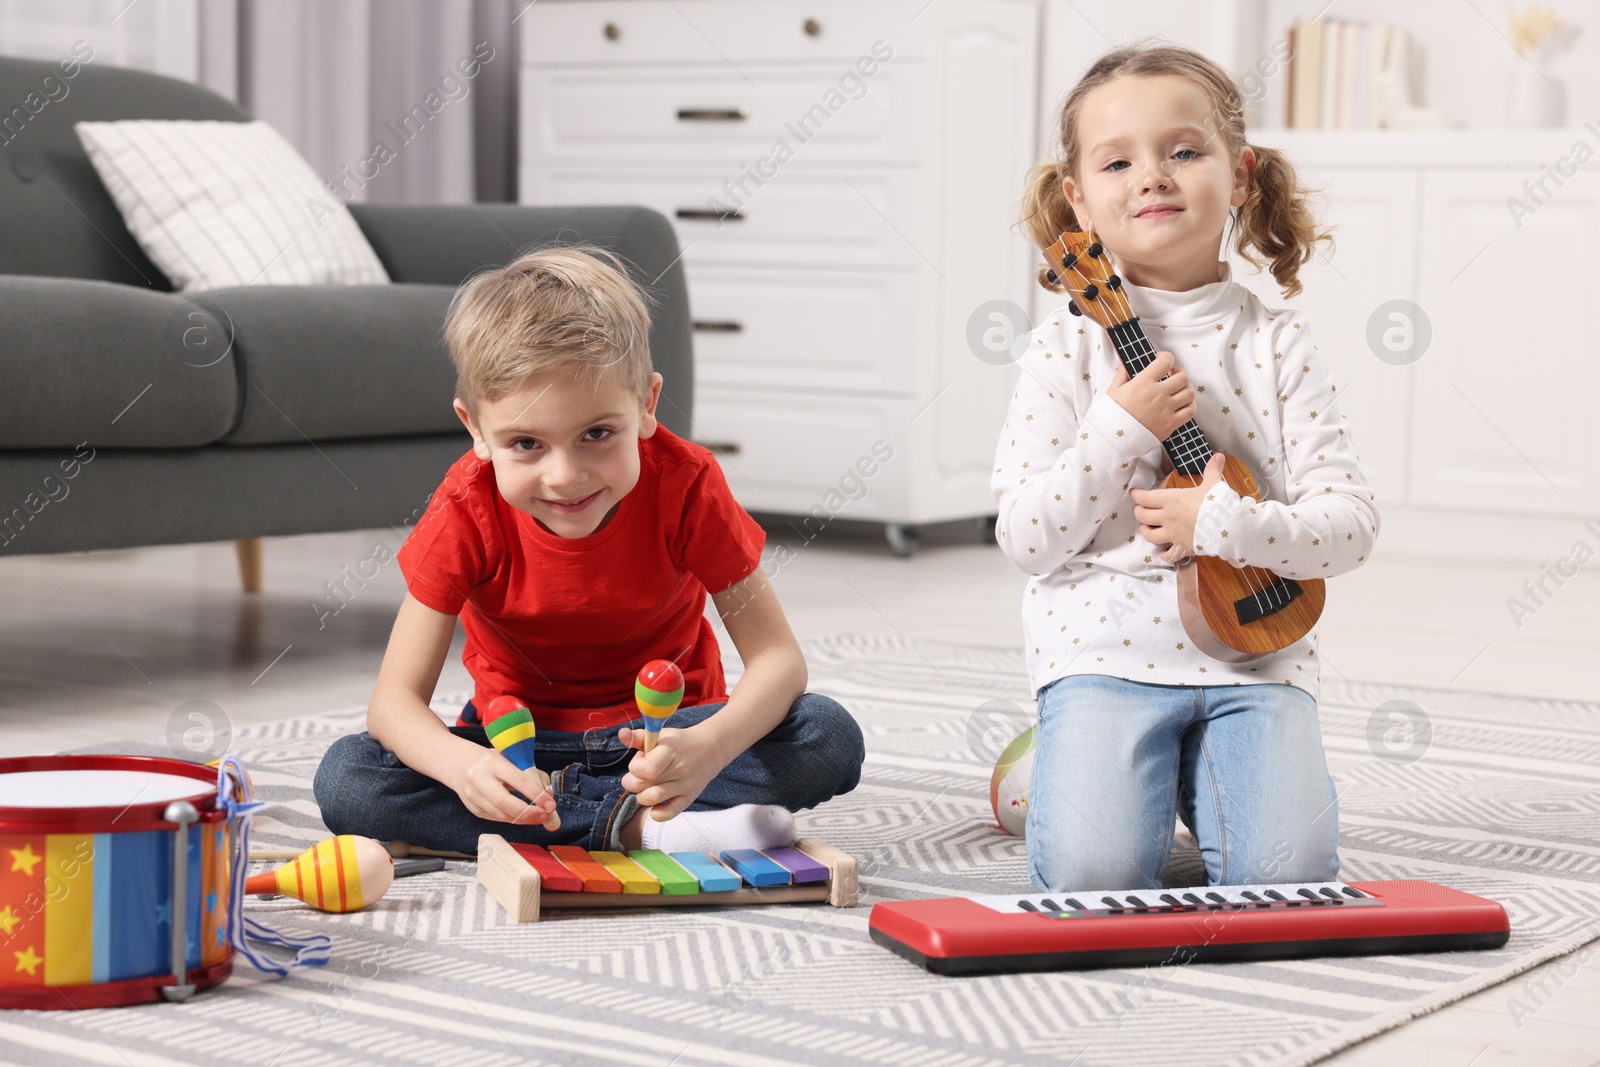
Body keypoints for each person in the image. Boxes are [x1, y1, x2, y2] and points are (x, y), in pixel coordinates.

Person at [314, 246, 864, 857]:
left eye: (596, 435)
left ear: (647, 406)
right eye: (525, 442)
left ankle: (571, 822)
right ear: (475, 429)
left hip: (664, 742)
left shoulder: (687, 483)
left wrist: (709, 749)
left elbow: (779, 661)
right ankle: (639, 828)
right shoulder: (466, 505)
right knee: (348, 778)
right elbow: (393, 704)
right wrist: (462, 768)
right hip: (518, 749)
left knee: (827, 735)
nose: (565, 476)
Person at [993, 43, 1379, 891]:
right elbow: (1025, 538)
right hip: (1104, 653)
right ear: (1078, 200)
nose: (1152, 176)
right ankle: (1069, 756)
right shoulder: (1064, 346)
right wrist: (1114, 433)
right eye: (1118, 160)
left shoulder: (1277, 344)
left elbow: (1350, 527)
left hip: (1256, 650)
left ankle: (1196, 770)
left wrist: (1226, 525)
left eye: (1183, 151)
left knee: (1286, 877)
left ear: (1239, 177)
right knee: (1092, 878)